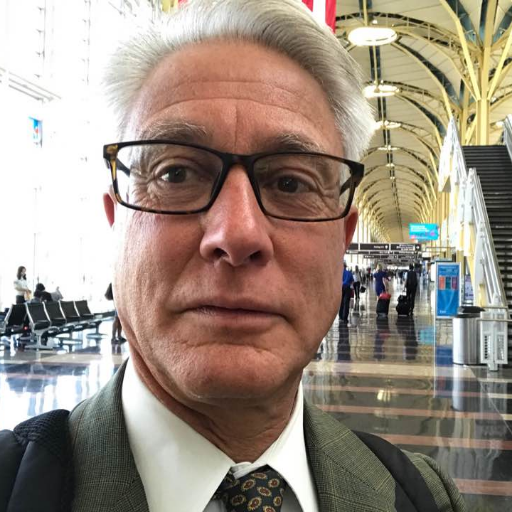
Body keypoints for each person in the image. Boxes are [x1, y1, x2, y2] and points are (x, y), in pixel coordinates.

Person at [1, 1, 466, 510]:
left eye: (291, 182)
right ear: (116, 220)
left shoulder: (423, 498)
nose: (237, 233)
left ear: (343, 236)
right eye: (176, 174)